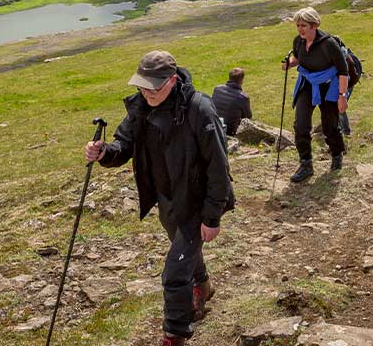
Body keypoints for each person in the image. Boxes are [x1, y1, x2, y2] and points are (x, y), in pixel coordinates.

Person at [84, 50, 235, 346]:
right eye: (142, 85)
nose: (148, 91)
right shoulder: (141, 107)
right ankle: (203, 286)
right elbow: (123, 145)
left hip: (196, 200)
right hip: (166, 197)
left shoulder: (199, 109)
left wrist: (212, 216)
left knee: (175, 273)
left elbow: (219, 166)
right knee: (185, 249)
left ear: (173, 80)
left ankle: (174, 335)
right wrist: (103, 152)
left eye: (155, 85)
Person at [282, 7, 349, 182]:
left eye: (303, 25)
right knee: (301, 125)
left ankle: (336, 154)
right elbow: (298, 58)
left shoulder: (329, 44)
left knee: (329, 126)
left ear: (314, 25)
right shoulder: (298, 41)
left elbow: (343, 71)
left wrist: (342, 96)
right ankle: (306, 164)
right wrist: (290, 63)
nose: (300, 29)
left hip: (329, 87)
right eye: (298, 25)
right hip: (308, 85)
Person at [210, 67, 252, 137]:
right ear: (242, 80)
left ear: (229, 78)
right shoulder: (243, 97)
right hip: (230, 132)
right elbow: (248, 117)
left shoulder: (217, 89)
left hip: (215, 125)